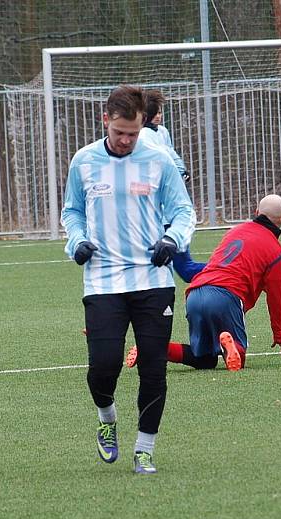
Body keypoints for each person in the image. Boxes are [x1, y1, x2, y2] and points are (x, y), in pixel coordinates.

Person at [61, 85, 196, 475]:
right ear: (106, 120)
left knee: (154, 367)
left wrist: (172, 239)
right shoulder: (84, 161)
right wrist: (77, 241)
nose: (125, 140)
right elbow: (72, 212)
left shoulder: (158, 160)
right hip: (103, 280)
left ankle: (144, 448)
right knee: (103, 366)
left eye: (133, 133)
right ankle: (106, 417)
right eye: (120, 132)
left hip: (152, 279)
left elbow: (183, 211)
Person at [127, 194, 281, 373]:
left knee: (203, 360)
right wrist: (279, 335)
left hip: (195, 293)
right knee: (238, 357)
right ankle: (227, 344)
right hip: (226, 296)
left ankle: (152, 348)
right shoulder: (276, 252)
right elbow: (277, 298)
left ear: (256, 212)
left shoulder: (234, 231)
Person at [141, 89, 189, 182]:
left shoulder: (163, 131)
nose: (158, 116)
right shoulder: (141, 133)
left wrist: (181, 171)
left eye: (159, 113)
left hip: (164, 176)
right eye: (154, 113)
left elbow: (170, 152)